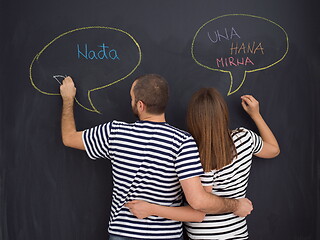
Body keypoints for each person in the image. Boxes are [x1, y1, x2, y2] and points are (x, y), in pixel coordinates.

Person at [59, 75, 253, 240]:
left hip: (123, 234)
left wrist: (68, 99)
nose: (131, 102)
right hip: (166, 235)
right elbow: (198, 207)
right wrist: (236, 204)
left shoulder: (114, 132)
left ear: (140, 105)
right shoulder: (183, 142)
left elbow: (68, 138)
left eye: (132, 99)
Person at [125, 88, 280, 240]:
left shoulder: (197, 154)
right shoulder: (245, 138)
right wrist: (256, 115)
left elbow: (201, 205)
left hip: (204, 235)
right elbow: (273, 150)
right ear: (223, 112)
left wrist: (151, 208)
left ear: (193, 118)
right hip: (237, 232)